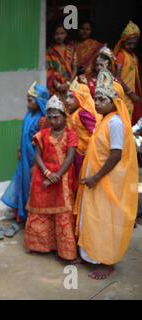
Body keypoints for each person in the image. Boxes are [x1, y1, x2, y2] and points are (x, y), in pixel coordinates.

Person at [74, 69, 138, 280]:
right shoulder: (103, 119)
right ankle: (89, 255)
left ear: (114, 101)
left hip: (106, 181)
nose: (97, 102)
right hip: (95, 180)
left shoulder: (115, 122)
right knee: (91, 217)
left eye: (102, 99)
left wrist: (96, 176)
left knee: (105, 219)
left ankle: (107, 262)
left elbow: (116, 155)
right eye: (96, 98)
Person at [23, 95, 78, 262]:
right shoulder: (42, 134)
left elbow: (70, 157)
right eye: (50, 117)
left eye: (57, 117)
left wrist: (58, 175)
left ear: (64, 116)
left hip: (63, 178)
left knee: (63, 214)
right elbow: (37, 156)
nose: (53, 121)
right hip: (43, 178)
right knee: (41, 213)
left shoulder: (71, 134)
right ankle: (40, 246)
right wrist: (47, 173)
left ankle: (65, 252)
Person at [0, 82, 49, 238]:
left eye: (31, 100)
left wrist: (36, 164)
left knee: (31, 188)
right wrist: (20, 148)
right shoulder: (28, 115)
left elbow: (43, 144)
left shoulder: (43, 121)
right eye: (27, 99)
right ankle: (21, 216)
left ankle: (30, 218)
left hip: (34, 159)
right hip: (24, 158)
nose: (28, 103)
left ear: (40, 101)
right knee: (22, 185)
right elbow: (24, 134)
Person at [65, 78, 102, 178]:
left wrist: (91, 150)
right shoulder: (72, 113)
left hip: (85, 155)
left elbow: (97, 132)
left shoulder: (83, 114)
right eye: (67, 97)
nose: (67, 100)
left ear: (80, 98)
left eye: (72, 97)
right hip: (76, 154)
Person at [114, 21, 141, 124]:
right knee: (125, 120)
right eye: (129, 43)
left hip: (133, 93)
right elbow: (118, 78)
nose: (132, 46)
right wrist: (130, 93)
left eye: (134, 44)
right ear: (122, 42)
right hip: (124, 94)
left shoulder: (133, 56)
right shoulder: (121, 55)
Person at [46, 24, 78, 97]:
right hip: (55, 88)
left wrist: (68, 83)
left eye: (62, 33)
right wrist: (58, 85)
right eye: (57, 34)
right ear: (53, 35)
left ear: (66, 34)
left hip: (70, 85)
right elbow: (49, 71)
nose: (59, 36)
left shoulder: (71, 50)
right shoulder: (49, 51)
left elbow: (75, 68)